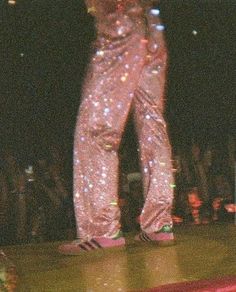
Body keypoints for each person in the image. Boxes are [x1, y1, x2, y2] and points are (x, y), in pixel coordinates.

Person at [59, 0, 175, 254]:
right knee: (152, 123)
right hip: (152, 23)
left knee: (96, 128)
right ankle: (159, 224)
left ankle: (102, 229)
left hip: (119, 19)